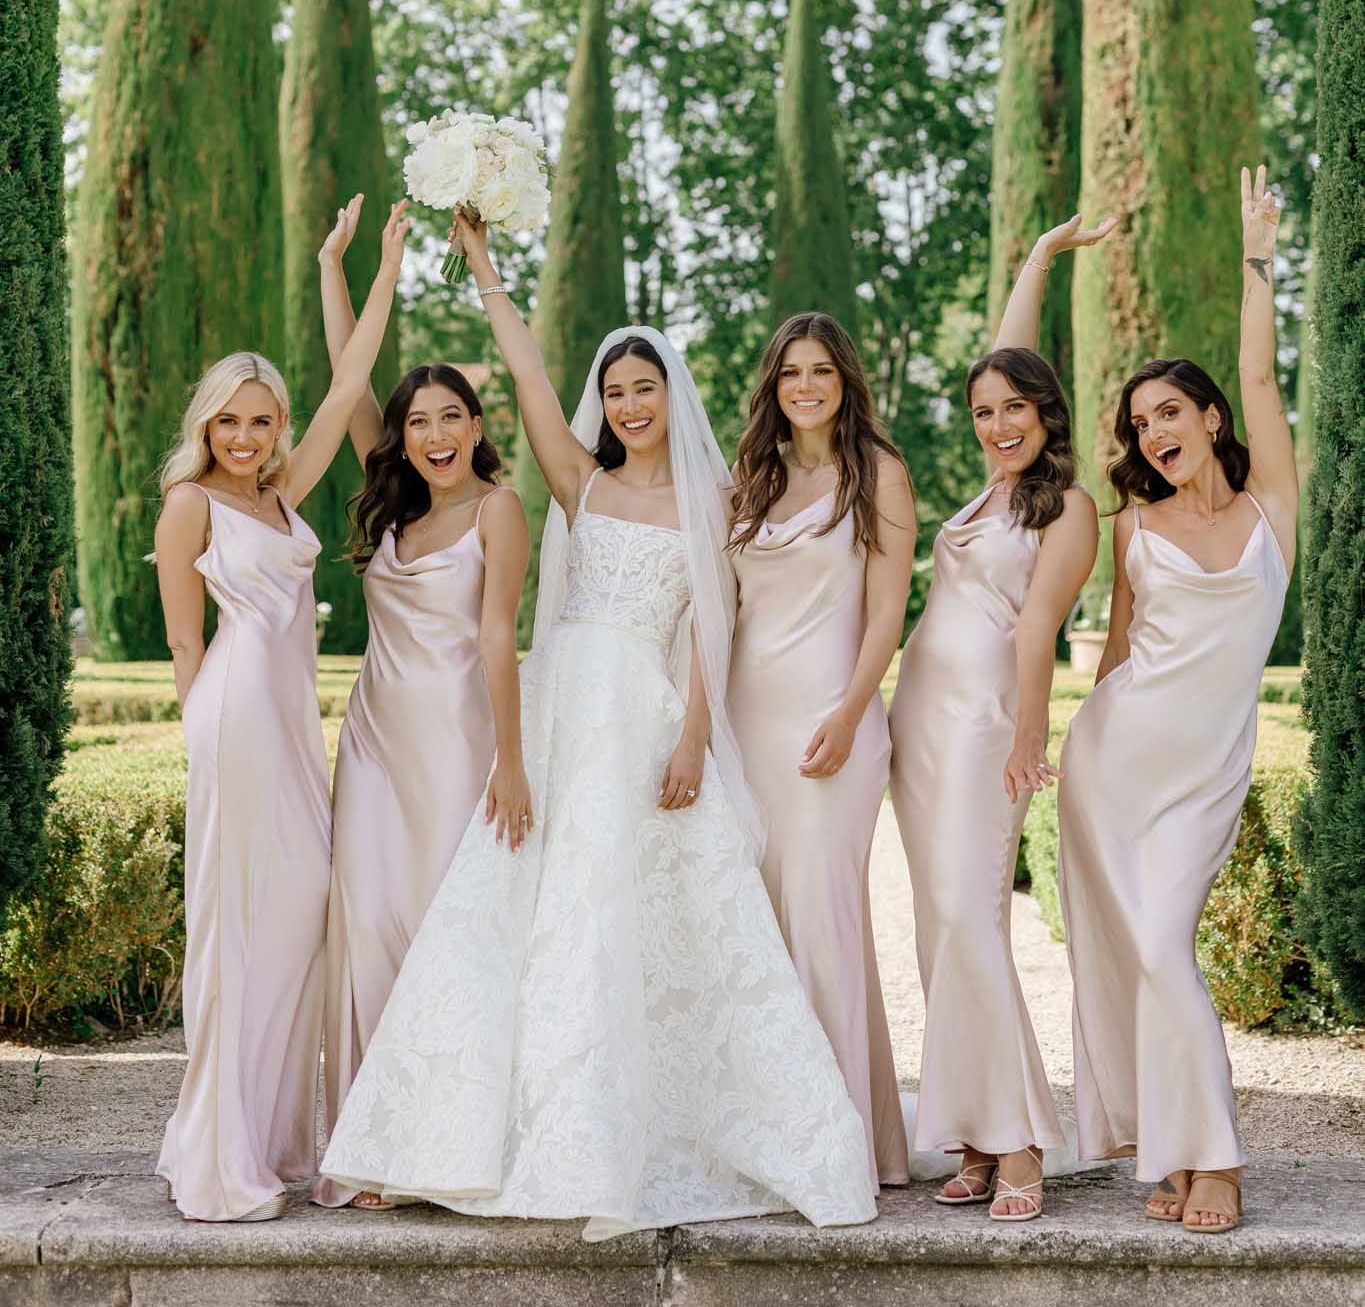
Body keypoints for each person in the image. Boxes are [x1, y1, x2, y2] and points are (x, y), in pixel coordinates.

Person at [320, 212, 877, 1239]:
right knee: (512, 908)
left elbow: (717, 624)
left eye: (643, 388)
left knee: (625, 918)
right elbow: (529, 381)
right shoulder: (581, 478)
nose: (627, 405)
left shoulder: (717, 494)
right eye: (615, 390)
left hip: (644, 715)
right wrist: (487, 269)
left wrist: (694, 735)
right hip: (560, 695)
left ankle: (625, 1131)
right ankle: (458, 1138)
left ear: (672, 396)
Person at [154, 199, 410, 1222]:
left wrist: (358, 262)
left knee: (298, 917)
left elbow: (353, 379)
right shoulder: (190, 503)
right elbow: (184, 643)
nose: (250, 435)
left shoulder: (286, 494)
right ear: (207, 425)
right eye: (232, 420)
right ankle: (221, 1153)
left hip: (293, 726)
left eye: (263, 419)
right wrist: (203, 745)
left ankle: (270, 1135)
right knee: (238, 928)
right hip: (235, 720)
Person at [1058, 167, 1295, 1236]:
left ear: (1207, 417)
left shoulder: (1271, 507)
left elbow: (1259, 369)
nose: (1154, 430)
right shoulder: (1132, 528)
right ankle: (1185, 1151)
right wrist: (1051, 749)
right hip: (1116, 765)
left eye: (1170, 410)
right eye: (1138, 419)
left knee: (1162, 947)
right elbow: (1112, 655)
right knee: (1144, 957)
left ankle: (1212, 1158)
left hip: (1203, 777)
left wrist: (1258, 257)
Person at [889, 213, 1112, 1222]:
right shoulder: (991, 490)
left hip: (986, 725)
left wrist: (1032, 733)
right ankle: (973, 1129)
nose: (997, 423)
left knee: (973, 920)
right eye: (984, 409)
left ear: (1045, 411)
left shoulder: (1065, 506)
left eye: (1015, 407)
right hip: (918, 723)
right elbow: (1002, 348)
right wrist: (1036, 258)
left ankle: (1019, 1136)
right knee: (938, 931)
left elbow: (1036, 633)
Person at [312, 196, 530, 1208]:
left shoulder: (499, 507)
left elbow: (497, 639)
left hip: (457, 748)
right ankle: (374, 1137)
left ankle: (446, 1139)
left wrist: (513, 763)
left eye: (451, 415)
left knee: (451, 934)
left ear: (478, 425)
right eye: (417, 418)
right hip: (371, 745)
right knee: (370, 927)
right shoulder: (388, 493)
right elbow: (346, 374)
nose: (433, 431)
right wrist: (354, 267)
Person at [727, 311, 914, 1188]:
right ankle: (770, 1136)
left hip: (832, 721)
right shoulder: (746, 483)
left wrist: (847, 712)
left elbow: (886, 611)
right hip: (746, 724)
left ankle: (840, 1147)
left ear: (845, 383)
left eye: (822, 372)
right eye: (790, 372)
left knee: (822, 913)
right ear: (772, 385)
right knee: (757, 922)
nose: (805, 386)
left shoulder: (878, 473)